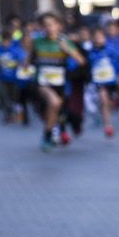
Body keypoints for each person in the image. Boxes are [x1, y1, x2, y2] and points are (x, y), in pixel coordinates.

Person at [28, 13, 83, 150]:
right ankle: (49, 135)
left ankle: (48, 134)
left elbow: (81, 61)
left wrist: (68, 50)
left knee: (55, 110)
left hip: (60, 84)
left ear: (59, 26)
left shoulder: (64, 41)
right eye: (46, 25)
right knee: (55, 102)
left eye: (52, 24)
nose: (49, 28)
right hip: (42, 83)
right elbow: (28, 60)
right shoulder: (37, 41)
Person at [86, 25, 119, 138]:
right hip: (98, 82)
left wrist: (118, 75)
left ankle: (104, 115)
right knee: (103, 99)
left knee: (108, 103)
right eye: (95, 37)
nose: (97, 39)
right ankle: (108, 125)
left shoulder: (110, 50)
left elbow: (118, 64)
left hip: (111, 81)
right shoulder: (90, 52)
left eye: (100, 37)